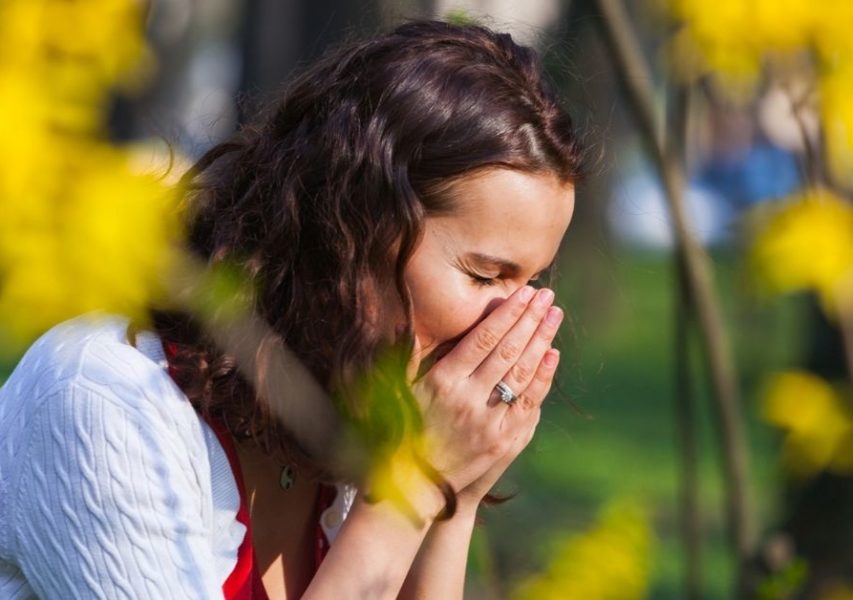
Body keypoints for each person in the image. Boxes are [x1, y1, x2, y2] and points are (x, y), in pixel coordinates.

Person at [0, 19, 582, 599]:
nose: (515, 322)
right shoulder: (103, 400)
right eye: (485, 275)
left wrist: (454, 500)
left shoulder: (352, 417)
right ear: (350, 233)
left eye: (533, 282)